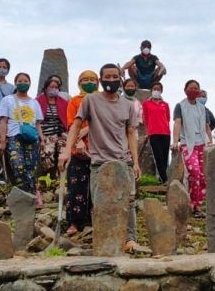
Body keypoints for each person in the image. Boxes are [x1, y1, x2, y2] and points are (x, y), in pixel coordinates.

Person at [59, 64, 142, 252]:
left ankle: (130, 239)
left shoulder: (128, 105)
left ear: (120, 79)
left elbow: (131, 133)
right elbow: (76, 125)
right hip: (99, 162)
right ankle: (105, 240)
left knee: (129, 200)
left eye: (115, 76)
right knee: (100, 202)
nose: (111, 80)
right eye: (107, 77)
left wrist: (136, 162)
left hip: (123, 160)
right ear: (101, 80)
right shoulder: (90, 100)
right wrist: (67, 151)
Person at [63, 70, 98, 236]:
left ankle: (93, 220)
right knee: (76, 185)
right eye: (85, 80)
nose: (89, 82)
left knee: (95, 187)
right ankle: (74, 222)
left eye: (92, 79)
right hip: (78, 149)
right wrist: (78, 140)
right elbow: (72, 125)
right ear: (79, 82)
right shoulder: (75, 101)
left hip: (99, 149)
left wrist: (88, 129)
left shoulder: (102, 100)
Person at [172, 79, 213, 218]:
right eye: (191, 88)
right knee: (194, 172)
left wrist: (210, 142)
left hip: (202, 143)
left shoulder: (202, 108)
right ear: (185, 90)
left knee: (202, 176)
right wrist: (175, 141)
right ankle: (190, 203)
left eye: (196, 88)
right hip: (187, 144)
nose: (194, 90)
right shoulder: (180, 106)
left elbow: (207, 127)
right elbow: (177, 123)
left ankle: (198, 206)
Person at [0, 73, 43, 195]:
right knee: (18, 166)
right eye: (20, 81)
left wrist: (42, 139)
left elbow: (38, 124)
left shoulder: (34, 103)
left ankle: (32, 195)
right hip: (14, 136)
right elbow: (3, 121)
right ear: (15, 83)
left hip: (32, 138)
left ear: (30, 83)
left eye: (26, 81)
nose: (23, 83)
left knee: (31, 168)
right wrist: (2, 141)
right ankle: (24, 195)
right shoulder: (8, 100)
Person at [35, 77, 69, 182]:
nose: (54, 89)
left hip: (61, 134)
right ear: (45, 88)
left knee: (64, 151)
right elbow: (36, 122)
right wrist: (41, 137)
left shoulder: (63, 102)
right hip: (45, 134)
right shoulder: (37, 101)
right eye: (51, 87)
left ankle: (61, 180)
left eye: (56, 87)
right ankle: (48, 178)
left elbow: (66, 120)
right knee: (47, 153)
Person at [142, 82, 171, 183]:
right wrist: (147, 132)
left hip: (165, 133)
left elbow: (168, 118)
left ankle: (161, 178)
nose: (156, 91)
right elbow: (145, 119)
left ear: (161, 91)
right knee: (158, 156)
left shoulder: (165, 104)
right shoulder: (146, 103)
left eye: (158, 89)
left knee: (165, 157)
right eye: (154, 89)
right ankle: (165, 179)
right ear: (151, 90)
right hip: (153, 133)